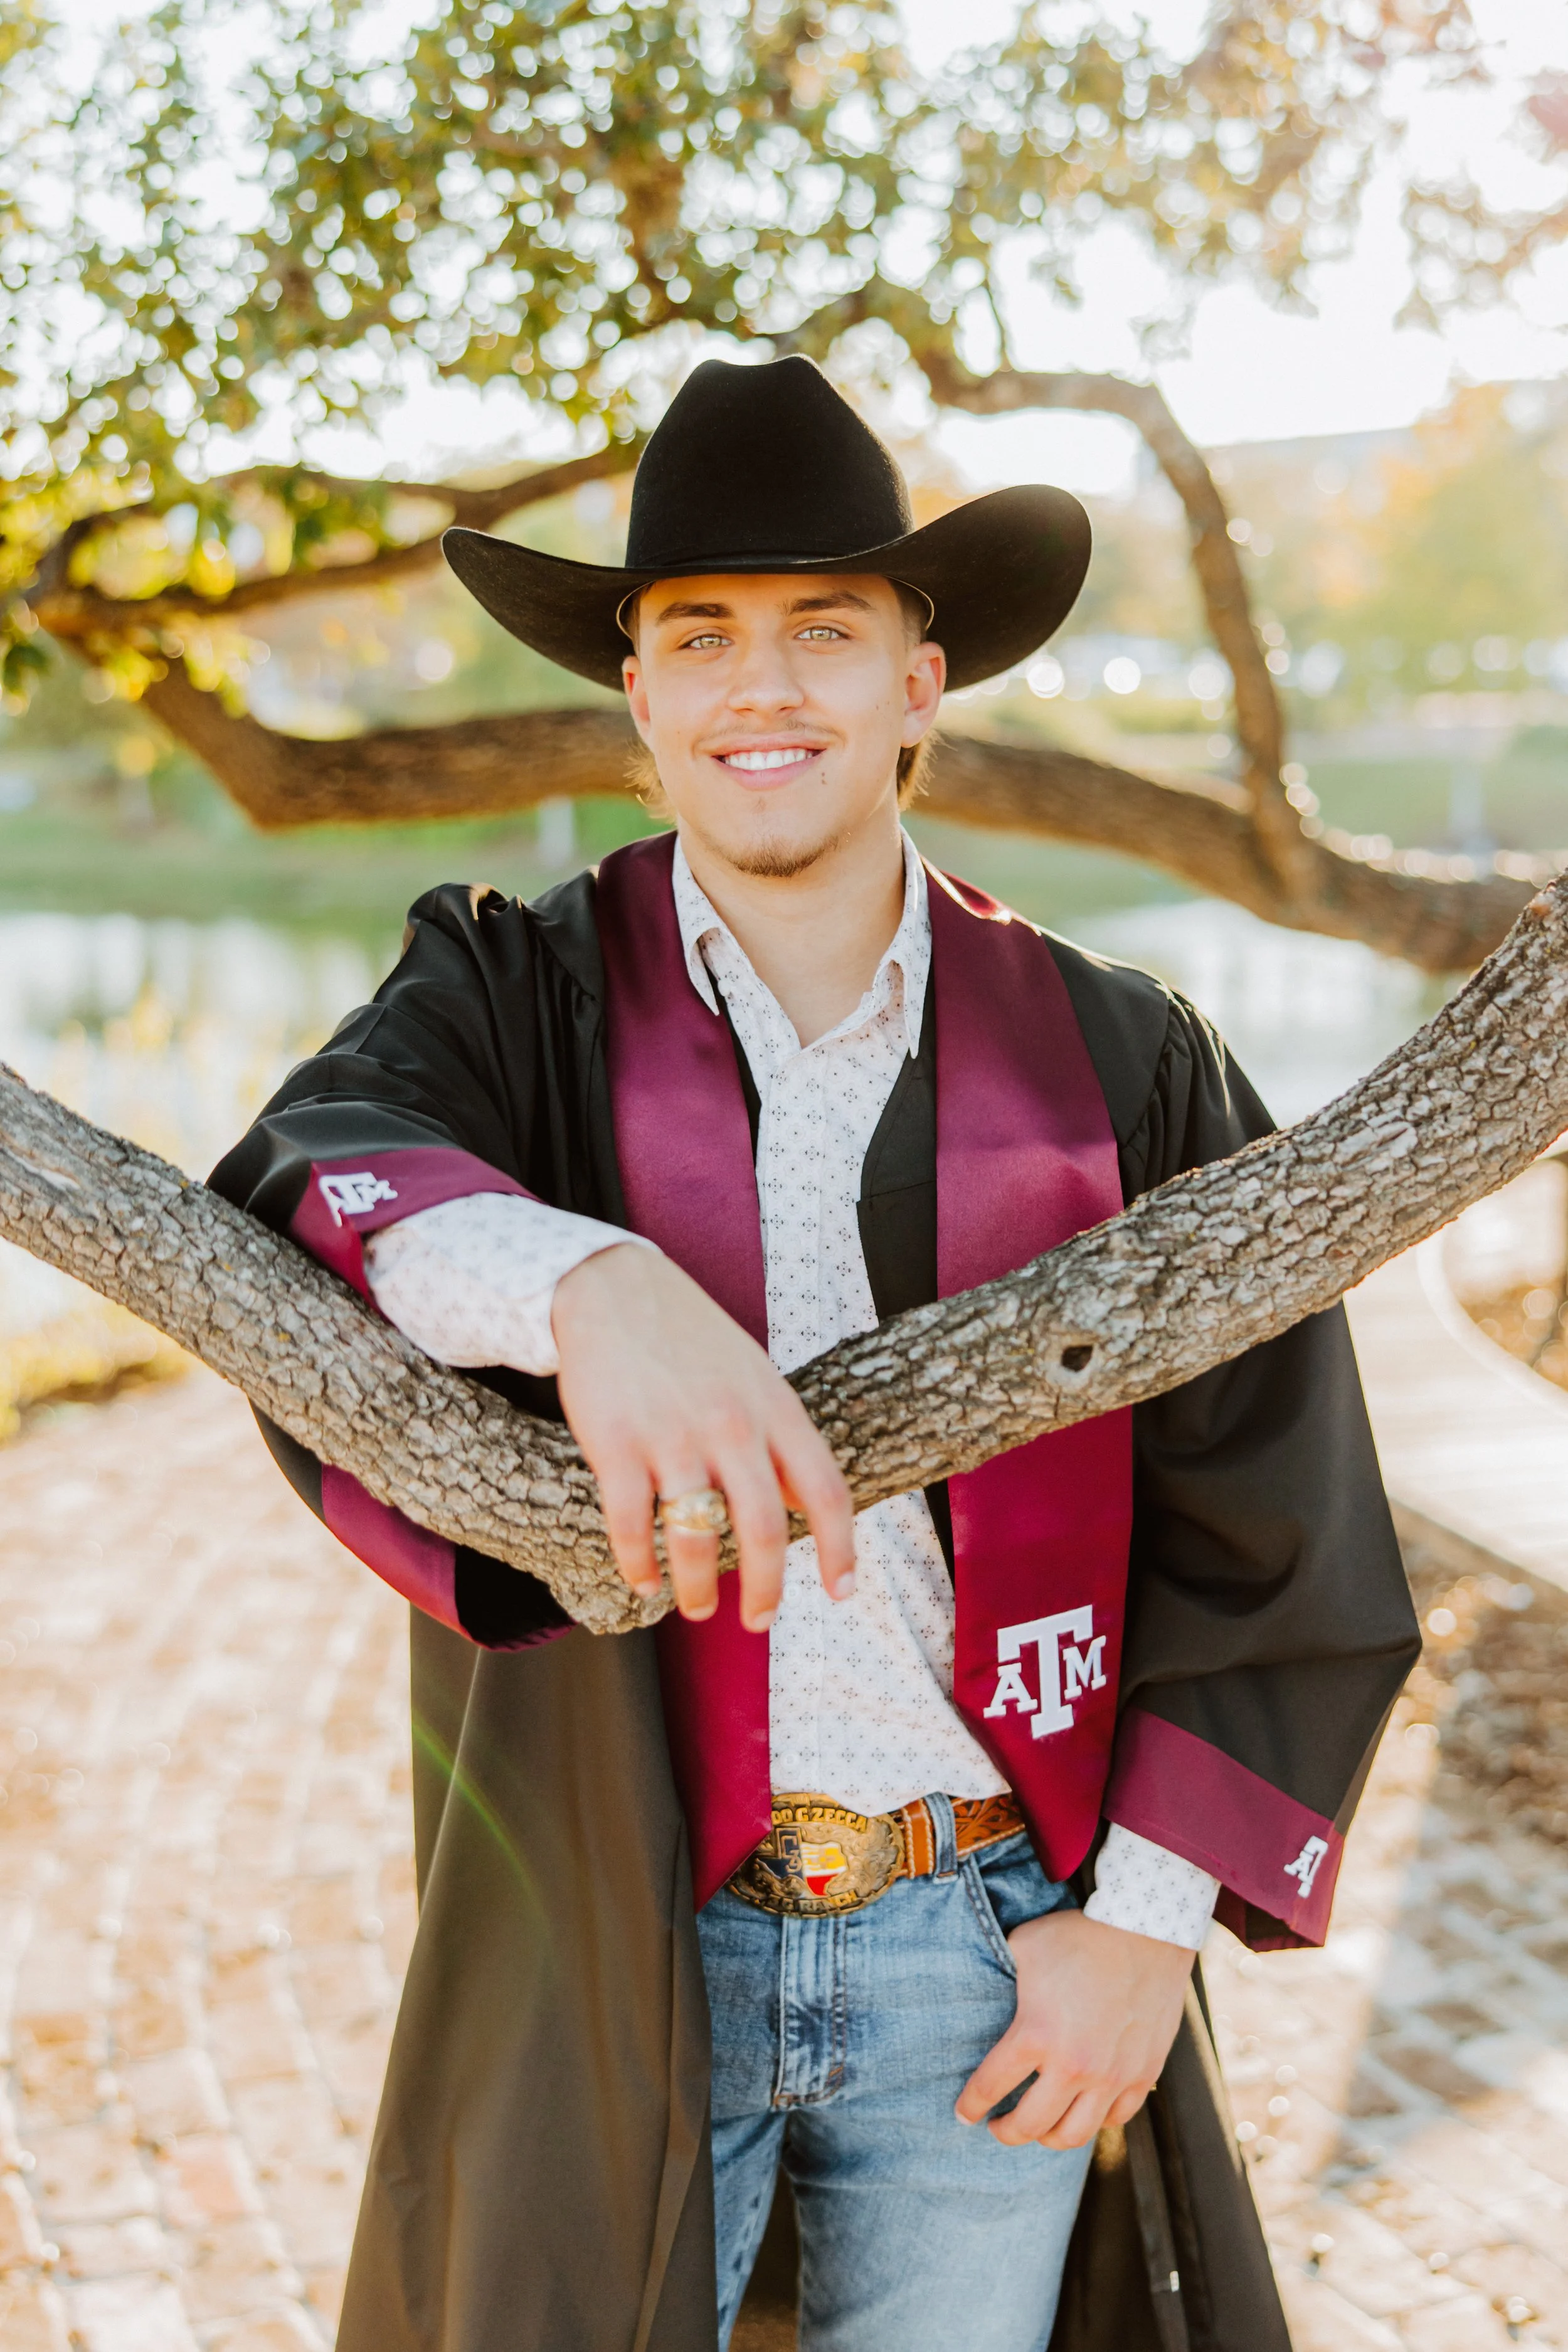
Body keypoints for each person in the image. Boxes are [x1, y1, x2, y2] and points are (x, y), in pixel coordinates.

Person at [211, 356, 1421, 2352]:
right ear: (642, 700)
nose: (758, 687)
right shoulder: (506, 996)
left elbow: (1276, 1494)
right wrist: (585, 1283)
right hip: (618, 1919)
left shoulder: (1119, 1057)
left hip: (990, 1942)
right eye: (700, 636)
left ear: (918, 684)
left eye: (823, 632)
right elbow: (313, 1183)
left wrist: (1136, 1930)